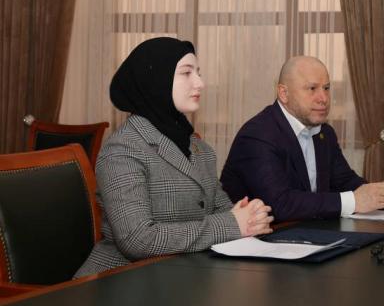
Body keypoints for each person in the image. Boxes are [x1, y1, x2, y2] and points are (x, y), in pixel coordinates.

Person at [75, 38, 273, 278]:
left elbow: (221, 210)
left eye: (198, 73)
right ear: (155, 80)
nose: (200, 83)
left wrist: (249, 216)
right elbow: (137, 240)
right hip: (121, 281)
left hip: (181, 274)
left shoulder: (199, 148)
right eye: (186, 73)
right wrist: (233, 224)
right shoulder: (122, 150)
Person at [220, 56, 384, 222]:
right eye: (312, 88)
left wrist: (379, 193)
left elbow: (344, 181)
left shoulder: (325, 133)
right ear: (284, 93)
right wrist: (354, 201)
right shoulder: (258, 135)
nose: (323, 98)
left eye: (326, 88)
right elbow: (280, 205)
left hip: (306, 233)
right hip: (257, 240)